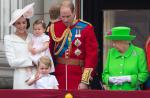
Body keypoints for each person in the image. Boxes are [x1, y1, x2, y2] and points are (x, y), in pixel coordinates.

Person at [48, 0, 98, 90]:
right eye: (63, 16)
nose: (65, 20)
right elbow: (49, 54)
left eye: (68, 16)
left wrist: (85, 81)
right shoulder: (54, 27)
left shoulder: (86, 28)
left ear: (74, 12)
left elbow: (92, 56)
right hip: (58, 77)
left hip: (78, 76)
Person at [102, 26, 149, 90]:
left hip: (132, 93)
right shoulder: (111, 52)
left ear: (126, 41)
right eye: (113, 41)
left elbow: (144, 74)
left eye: (116, 41)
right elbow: (104, 75)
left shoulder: (138, 52)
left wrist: (129, 78)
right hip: (113, 93)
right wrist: (110, 79)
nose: (113, 45)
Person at [4, 3, 35, 89]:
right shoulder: (9, 38)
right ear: (14, 24)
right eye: (18, 23)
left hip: (35, 76)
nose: (22, 26)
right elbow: (12, 62)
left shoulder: (32, 37)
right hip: (20, 77)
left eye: (24, 22)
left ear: (27, 22)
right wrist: (31, 62)